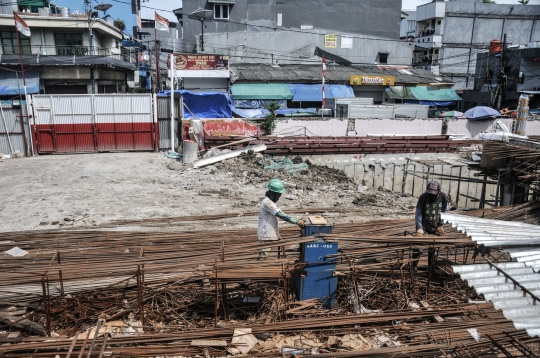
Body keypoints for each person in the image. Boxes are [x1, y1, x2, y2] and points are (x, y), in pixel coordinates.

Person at [258, 179, 306, 259]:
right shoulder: (267, 203)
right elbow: (280, 214)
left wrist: (276, 234)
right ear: (274, 193)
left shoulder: (270, 202)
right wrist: (296, 221)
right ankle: (259, 268)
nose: (279, 197)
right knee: (264, 257)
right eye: (278, 195)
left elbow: (272, 220)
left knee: (266, 256)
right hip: (265, 235)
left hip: (268, 234)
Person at [413, 180, 448, 275]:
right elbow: (419, 213)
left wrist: (440, 225)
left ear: (439, 191)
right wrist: (419, 227)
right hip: (424, 226)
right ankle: (414, 267)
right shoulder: (423, 197)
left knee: (434, 249)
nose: (431, 196)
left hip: (435, 226)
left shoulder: (443, 197)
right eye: (430, 193)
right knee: (418, 247)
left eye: (433, 194)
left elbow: (444, 212)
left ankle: (431, 268)